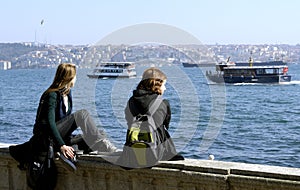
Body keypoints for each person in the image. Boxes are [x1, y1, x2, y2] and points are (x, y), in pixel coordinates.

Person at [9, 63, 116, 189]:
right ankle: (67, 150)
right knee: (82, 114)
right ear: (69, 77)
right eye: (75, 76)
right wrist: (62, 145)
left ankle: (70, 153)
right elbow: (49, 123)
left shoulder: (67, 94)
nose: (76, 79)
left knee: (96, 135)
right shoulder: (51, 95)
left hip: (59, 138)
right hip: (46, 139)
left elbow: (64, 122)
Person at [117, 67, 183, 168]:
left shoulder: (131, 102)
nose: (165, 88)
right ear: (157, 85)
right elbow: (166, 125)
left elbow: (128, 121)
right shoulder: (162, 103)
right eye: (164, 85)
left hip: (132, 151)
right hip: (155, 151)